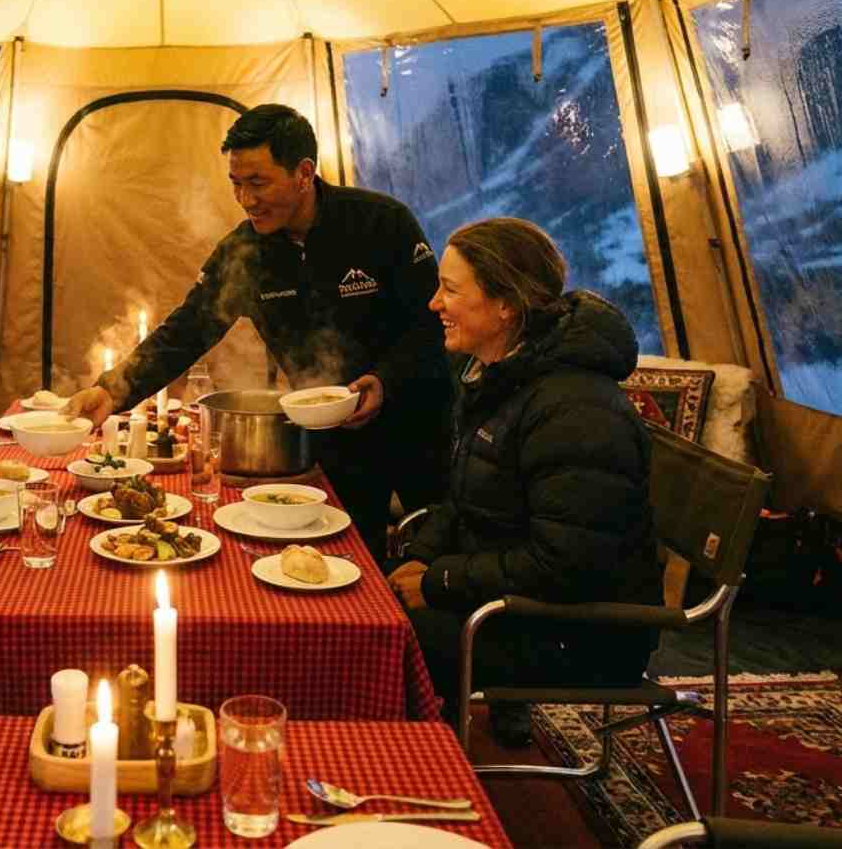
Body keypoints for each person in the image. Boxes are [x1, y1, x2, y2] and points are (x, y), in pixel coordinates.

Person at [67, 104, 453, 558]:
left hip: (418, 420)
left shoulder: (381, 223)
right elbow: (186, 330)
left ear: (304, 173)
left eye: (258, 182)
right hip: (334, 439)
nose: (247, 199)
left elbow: (433, 328)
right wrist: (112, 391)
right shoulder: (245, 251)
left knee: (436, 553)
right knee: (355, 558)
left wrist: (385, 382)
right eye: (236, 183)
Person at [389, 217, 660, 746]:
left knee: (388, 640)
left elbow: (566, 565)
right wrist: (417, 558)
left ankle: (410, 773)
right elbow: (465, 498)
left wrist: (438, 581)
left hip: (580, 634)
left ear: (506, 305)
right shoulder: (502, 378)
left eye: (449, 289)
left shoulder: (575, 410)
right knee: (372, 601)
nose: (434, 304)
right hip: (518, 604)